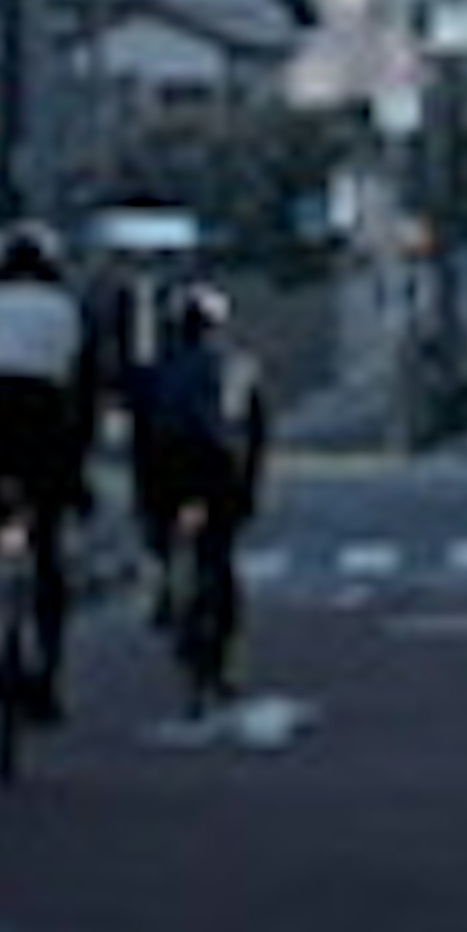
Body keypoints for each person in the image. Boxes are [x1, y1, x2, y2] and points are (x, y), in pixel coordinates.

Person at [0, 223, 96, 710]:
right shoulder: (65, 308)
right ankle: (48, 664)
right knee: (47, 544)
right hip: (43, 418)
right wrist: (78, 471)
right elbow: (85, 390)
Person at [128, 276, 270, 680]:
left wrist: (141, 494)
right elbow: (254, 433)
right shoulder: (236, 366)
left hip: (165, 466)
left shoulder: (153, 369)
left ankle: (163, 589)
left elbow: (141, 434)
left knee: (161, 532)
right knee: (218, 556)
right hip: (216, 466)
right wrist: (249, 489)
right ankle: (222, 644)